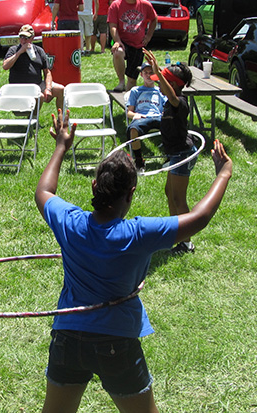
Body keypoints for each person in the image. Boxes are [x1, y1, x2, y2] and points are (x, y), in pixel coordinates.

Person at [32, 109, 233, 413]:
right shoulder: (138, 234)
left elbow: (44, 192)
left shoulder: (70, 222)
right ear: (131, 193)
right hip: (117, 342)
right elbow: (199, 218)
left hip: (68, 338)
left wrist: (60, 148)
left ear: (95, 185)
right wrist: (222, 173)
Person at [143, 49, 198, 255]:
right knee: (169, 193)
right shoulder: (169, 103)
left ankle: (186, 242)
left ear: (173, 85)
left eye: (163, 81)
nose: (158, 83)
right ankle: (176, 235)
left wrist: (157, 68)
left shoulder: (180, 103)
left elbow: (173, 97)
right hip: (174, 154)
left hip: (182, 153)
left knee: (178, 198)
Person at [2, 25, 65, 111]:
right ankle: (34, 120)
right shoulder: (14, 50)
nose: (23, 40)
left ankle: (60, 118)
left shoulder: (39, 51)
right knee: (40, 96)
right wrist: (20, 52)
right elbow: (5, 66)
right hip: (19, 88)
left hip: (37, 85)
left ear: (32, 38)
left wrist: (48, 88)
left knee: (60, 89)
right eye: (21, 37)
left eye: (26, 38)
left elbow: (47, 72)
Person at [107, 0, 157, 92]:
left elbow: (154, 19)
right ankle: (121, 82)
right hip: (123, 41)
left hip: (138, 45)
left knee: (132, 81)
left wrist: (148, 36)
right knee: (118, 52)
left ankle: (128, 100)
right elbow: (112, 26)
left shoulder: (145, 5)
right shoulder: (116, 5)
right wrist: (117, 41)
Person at [126, 62, 167, 170]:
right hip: (142, 117)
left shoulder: (160, 90)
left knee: (172, 125)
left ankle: (170, 156)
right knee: (133, 129)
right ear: (141, 75)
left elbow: (167, 107)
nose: (148, 75)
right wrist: (136, 115)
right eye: (146, 73)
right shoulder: (136, 91)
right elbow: (129, 113)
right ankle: (139, 160)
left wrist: (165, 114)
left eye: (151, 73)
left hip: (157, 116)